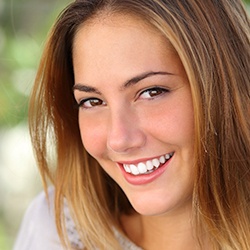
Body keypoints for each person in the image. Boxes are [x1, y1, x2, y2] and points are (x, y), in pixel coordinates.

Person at [14, 0, 250, 249]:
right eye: (93, 101)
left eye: (152, 92)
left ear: (226, 89)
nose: (119, 139)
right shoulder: (53, 232)